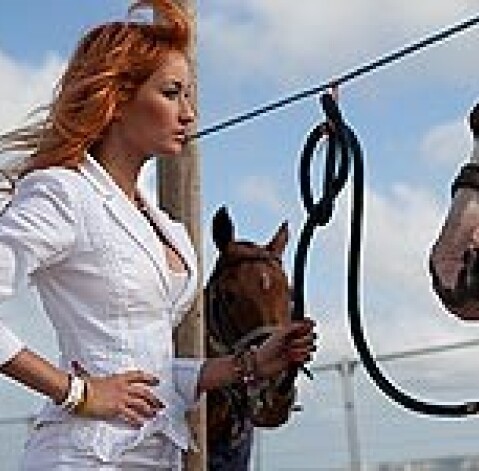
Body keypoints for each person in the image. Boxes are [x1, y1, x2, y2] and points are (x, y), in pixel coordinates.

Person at [0, 0, 316, 469]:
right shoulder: (64, 192)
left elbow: (150, 368)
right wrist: (78, 393)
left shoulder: (160, 221)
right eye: (172, 93)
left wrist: (246, 365)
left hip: (159, 451)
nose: (188, 113)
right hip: (88, 456)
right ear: (117, 98)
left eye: (190, 95)